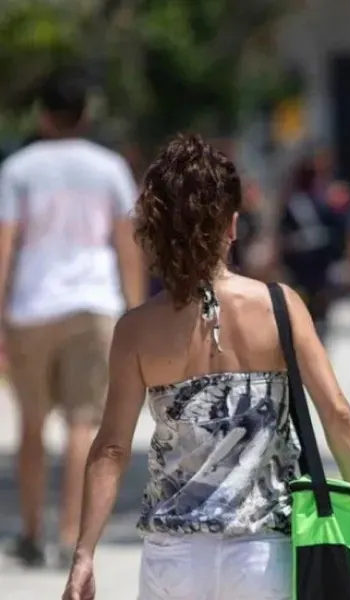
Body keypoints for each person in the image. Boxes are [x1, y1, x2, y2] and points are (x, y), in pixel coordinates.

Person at [62, 134, 350, 600]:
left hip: (174, 555)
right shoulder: (279, 307)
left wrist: (85, 552)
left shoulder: (137, 330)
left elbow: (110, 449)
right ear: (231, 226)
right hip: (264, 549)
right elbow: (338, 414)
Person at [0, 67, 145, 568]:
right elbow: (127, 242)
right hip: (93, 304)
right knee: (84, 423)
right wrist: (136, 309)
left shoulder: (18, 168)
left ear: (42, 114)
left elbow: (5, 243)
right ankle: (70, 535)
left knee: (32, 424)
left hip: (31, 307)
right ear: (85, 115)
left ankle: (32, 529)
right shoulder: (108, 168)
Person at [278, 151, 350, 343]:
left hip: (316, 263)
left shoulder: (322, 200)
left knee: (316, 306)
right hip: (305, 264)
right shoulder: (299, 202)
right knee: (306, 305)